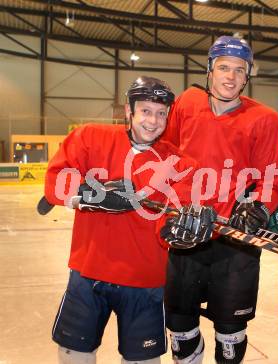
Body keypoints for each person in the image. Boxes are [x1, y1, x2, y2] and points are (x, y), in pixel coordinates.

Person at [45, 76, 196, 364]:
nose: (153, 121)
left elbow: (179, 214)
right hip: (89, 273)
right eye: (146, 111)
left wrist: (186, 225)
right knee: (74, 354)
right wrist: (90, 196)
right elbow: (54, 183)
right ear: (129, 111)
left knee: (143, 360)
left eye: (161, 113)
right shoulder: (89, 137)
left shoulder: (180, 164)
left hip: (145, 280)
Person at [159, 35, 278, 364]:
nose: (230, 76)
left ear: (247, 77)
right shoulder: (186, 103)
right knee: (180, 329)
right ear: (210, 71)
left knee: (230, 336)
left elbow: (271, 178)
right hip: (186, 231)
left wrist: (258, 207)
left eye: (239, 70)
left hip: (234, 239)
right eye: (223, 67)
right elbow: (164, 157)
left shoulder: (264, 118)